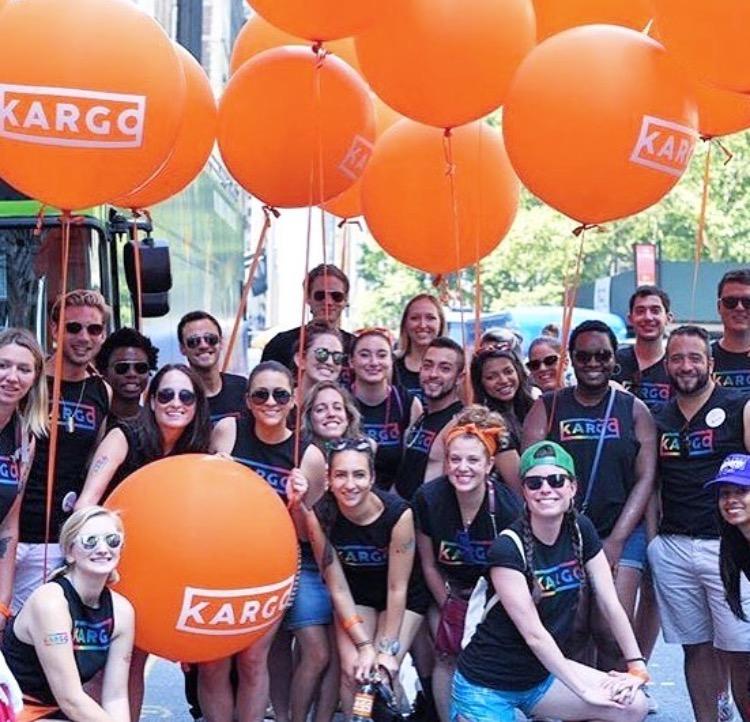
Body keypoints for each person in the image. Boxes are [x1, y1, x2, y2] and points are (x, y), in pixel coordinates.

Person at [452, 441, 649, 722]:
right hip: (487, 684)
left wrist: (636, 666)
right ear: (524, 492)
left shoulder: (581, 529)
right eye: (534, 483)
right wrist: (583, 691)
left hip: (540, 677)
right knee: (598, 698)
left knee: (633, 706)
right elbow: (534, 634)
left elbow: (610, 602)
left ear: (572, 487)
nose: (546, 489)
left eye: (557, 480)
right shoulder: (508, 547)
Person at [76, 363, 210, 720]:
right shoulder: (125, 436)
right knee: (102, 665)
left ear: (197, 404)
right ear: (151, 401)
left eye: (186, 395)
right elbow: (85, 505)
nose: (175, 402)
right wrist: (92, 565)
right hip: (110, 568)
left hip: (159, 573)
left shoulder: (197, 452)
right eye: (165, 394)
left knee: (134, 660)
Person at [523, 320, 657, 672]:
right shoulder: (548, 407)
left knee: (610, 629)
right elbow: (531, 471)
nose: (593, 363)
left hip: (620, 531)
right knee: (574, 627)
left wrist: (616, 540)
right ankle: (580, 703)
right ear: (571, 359)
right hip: (564, 533)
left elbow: (645, 478)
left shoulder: (633, 409)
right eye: (584, 356)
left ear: (615, 360)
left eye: (602, 355)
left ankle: (617, 697)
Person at [206, 361, 328, 722]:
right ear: (247, 400)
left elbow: (307, 536)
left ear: (293, 401)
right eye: (261, 394)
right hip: (219, 561)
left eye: (280, 394)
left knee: (253, 659)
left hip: (272, 568)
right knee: (213, 661)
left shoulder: (309, 457)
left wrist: (297, 504)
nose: (270, 401)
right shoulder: (227, 431)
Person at [648, 325, 750, 722]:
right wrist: (655, 541)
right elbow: (650, 482)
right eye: (677, 358)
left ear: (710, 364)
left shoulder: (740, 406)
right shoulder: (659, 417)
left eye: (694, 357)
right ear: (666, 366)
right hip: (673, 545)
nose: (685, 366)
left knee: (741, 652)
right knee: (696, 647)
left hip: (726, 548)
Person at [305, 437, 428, 717]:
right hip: (356, 593)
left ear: (372, 477)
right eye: (341, 475)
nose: (350, 484)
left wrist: (383, 649)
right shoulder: (320, 516)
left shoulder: (398, 514)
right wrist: (363, 645)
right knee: (354, 670)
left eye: (359, 474)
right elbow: (337, 587)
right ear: (328, 479)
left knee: (381, 672)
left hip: (401, 597)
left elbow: (398, 587)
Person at [414, 406, 521, 721]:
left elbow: (514, 574)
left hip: (491, 595)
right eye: (455, 459)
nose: (463, 468)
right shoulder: (428, 499)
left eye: (473, 460)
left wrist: (481, 612)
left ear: (489, 464)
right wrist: (450, 607)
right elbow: (428, 563)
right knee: (447, 655)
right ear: (446, 462)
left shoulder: (507, 507)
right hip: (445, 589)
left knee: (485, 658)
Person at [15, 290, 111, 612]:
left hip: (56, 541)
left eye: (94, 329)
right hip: (10, 531)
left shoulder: (101, 391)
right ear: (54, 330)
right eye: (73, 328)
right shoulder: (30, 379)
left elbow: (94, 461)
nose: (84, 337)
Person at [3, 506, 134, 722]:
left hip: (59, 712)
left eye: (112, 540)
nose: (103, 549)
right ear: (70, 552)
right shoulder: (51, 603)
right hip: (14, 708)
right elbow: (71, 699)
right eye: (90, 541)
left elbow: (115, 697)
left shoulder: (122, 611)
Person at [0, 329, 47, 633]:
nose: (11, 377)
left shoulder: (23, 438)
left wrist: (3, 603)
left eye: (23, 369)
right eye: (3, 365)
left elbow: (8, 528)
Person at [350, 328, 422, 491]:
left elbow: (411, 466)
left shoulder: (408, 404)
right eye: (364, 354)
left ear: (391, 361)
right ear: (351, 361)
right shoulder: (338, 401)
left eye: (382, 355)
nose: (373, 362)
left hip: (393, 499)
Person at [395, 337, 465, 501]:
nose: (433, 374)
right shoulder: (421, 417)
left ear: (459, 378)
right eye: (427, 366)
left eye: (445, 368)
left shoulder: (461, 423)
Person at [262, 264, 355, 372]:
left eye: (336, 296)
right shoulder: (280, 344)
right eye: (320, 295)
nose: (328, 302)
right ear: (308, 298)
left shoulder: (356, 347)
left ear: (345, 300)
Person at [471, 347, 535, 492]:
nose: (503, 380)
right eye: (491, 377)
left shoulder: (535, 408)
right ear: (480, 383)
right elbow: (519, 486)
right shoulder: (488, 423)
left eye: (508, 371)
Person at [178, 310, 246, 424]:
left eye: (211, 339)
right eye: (193, 341)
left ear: (221, 343)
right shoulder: (176, 397)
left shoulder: (243, 388)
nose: (203, 345)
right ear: (182, 349)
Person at [613, 285, 674, 411]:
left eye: (655, 311)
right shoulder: (612, 361)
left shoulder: (677, 366)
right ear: (630, 319)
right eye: (640, 311)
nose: (648, 317)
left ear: (668, 318)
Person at [95, 327, 159, 426]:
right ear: (104, 372)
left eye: (140, 368)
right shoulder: (94, 421)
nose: (132, 374)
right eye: (122, 367)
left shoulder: (157, 423)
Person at [394, 294, 446, 401]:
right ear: (405, 324)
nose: (422, 325)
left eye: (430, 318)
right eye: (415, 318)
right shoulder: (391, 365)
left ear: (441, 323)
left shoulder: (457, 367)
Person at [712, 269, 750, 393]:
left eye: (747, 302)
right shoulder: (702, 358)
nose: (739, 307)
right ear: (719, 307)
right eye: (730, 302)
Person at [301, 380, 362, 449]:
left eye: (337, 408)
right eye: (321, 409)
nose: (331, 414)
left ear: (348, 416)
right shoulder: (300, 455)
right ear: (309, 418)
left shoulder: (365, 451)